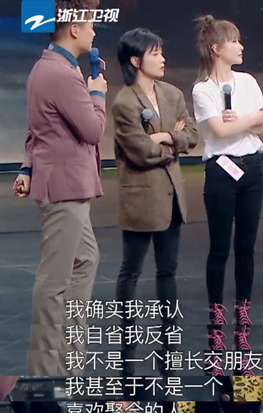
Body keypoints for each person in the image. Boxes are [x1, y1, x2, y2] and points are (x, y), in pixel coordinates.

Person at [12, 0, 107, 377]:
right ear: (74, 29)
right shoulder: (62, 74)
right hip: (64, 187)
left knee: (86, 260)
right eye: (91, 25)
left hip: (66, 183)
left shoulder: (50, 67)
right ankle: (44, 375)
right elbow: (93, 130)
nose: (94, 32)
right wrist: (97, 93)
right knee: (53, 281)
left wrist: (26, 167)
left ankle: (70, 363)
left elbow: (38, 130)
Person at [112, 28, 198, 378]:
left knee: (168, 272)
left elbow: (192, 135)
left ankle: (169, 344)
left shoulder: (172, 93)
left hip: (172, 196)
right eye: (155, 53)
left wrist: (165, 136)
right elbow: (140, 151)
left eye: (162, 52)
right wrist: (170, 146)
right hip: (141, 197)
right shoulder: (124, 102)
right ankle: (127, 342)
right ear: (136, 60)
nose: (163, 59)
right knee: (131, 271)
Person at [192, 15, 263, 376]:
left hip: (252, 168)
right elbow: (219, 133)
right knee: (220, 250)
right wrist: (248, 120)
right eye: (234, 41)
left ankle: (243, 333)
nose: (241, 47)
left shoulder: (248, 81)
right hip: (221, 171)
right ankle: (216, 337)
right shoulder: (202, 89)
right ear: (216, 48)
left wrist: (240, 121)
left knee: (247, 249)